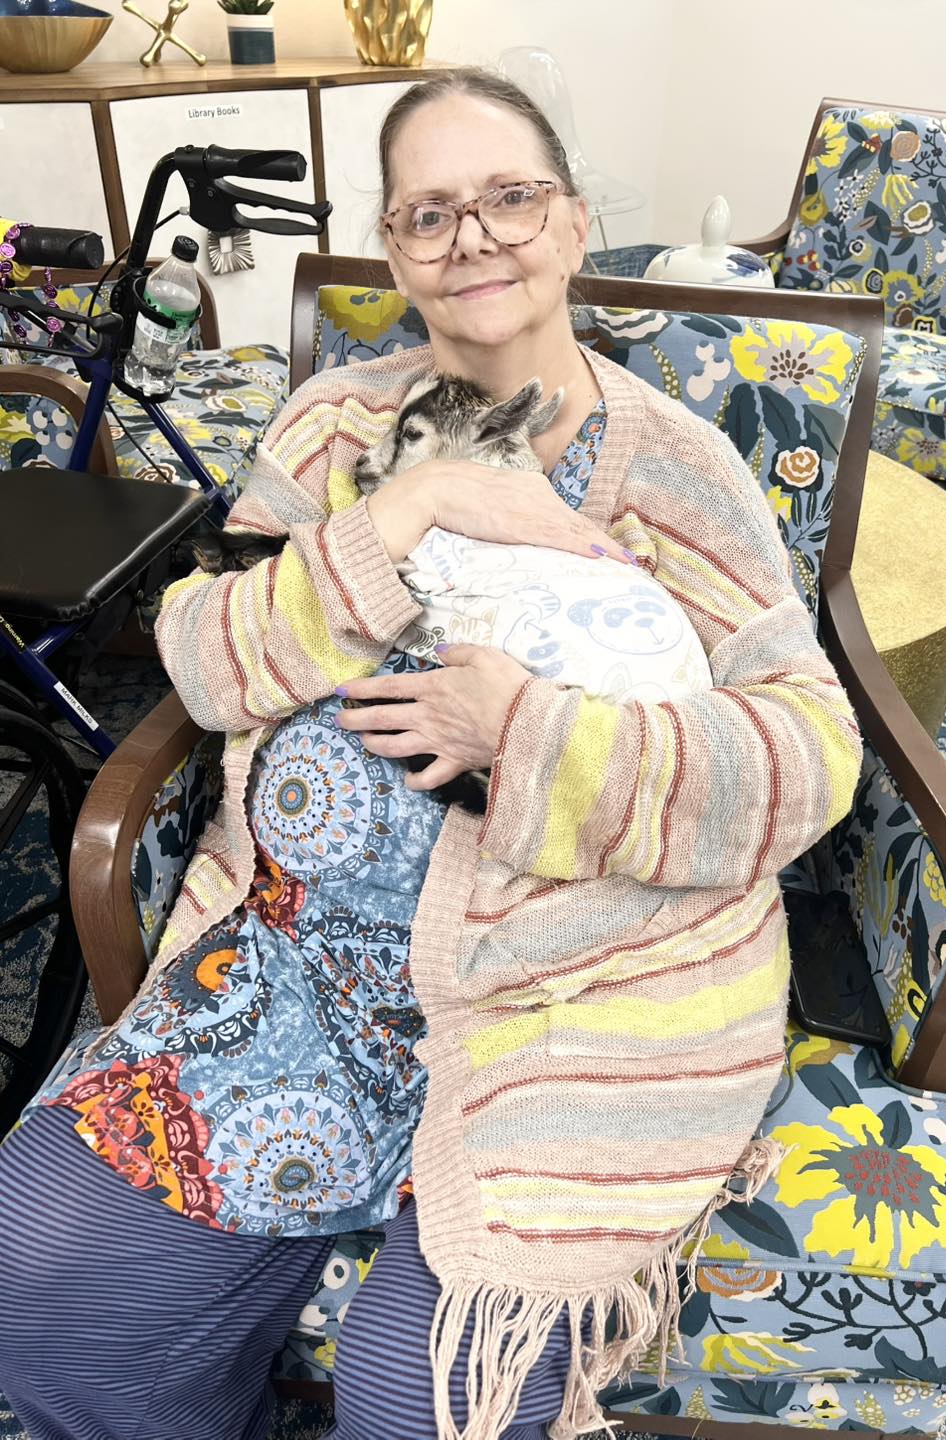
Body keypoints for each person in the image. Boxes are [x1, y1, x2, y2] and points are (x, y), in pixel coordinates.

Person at [0, 69, 863, 1440]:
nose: (473, 238)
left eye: (511, 199)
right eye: (429, 213)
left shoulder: (682, 473)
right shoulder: (338, 424)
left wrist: (520, 734)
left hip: (575, 992)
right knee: (30, 1266)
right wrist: (404, 517)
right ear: (395, 251)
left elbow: (810, 758)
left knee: (429, 1394)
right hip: (295, 974)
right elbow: (211, 658)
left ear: (575, 226)